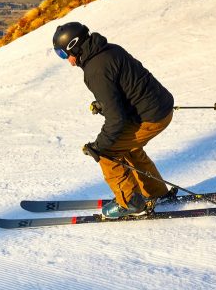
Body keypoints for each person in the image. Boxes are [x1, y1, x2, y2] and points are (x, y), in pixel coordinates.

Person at [52, 21, 177, 219]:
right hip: (160, 107)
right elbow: (127, 86)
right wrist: (104, 103)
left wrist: (98, 146)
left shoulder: (95, 70)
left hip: (150, 117)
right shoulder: (109, 50)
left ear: (74, 46)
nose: (67, 60)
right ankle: (155, 192)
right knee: (128, 147)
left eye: (63, 54)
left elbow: (116, 119)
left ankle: (130, 203)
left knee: (108, 153)